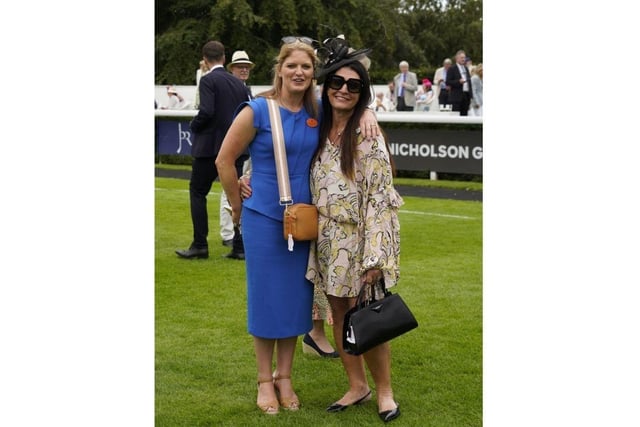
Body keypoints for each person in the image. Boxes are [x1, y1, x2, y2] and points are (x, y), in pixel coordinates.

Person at [215, 37, 379, 415]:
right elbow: (225, 161)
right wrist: (239, 205)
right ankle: (263, 381)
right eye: (293, 66)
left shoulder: (319, 109)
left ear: (313, 73)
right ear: (280, 68)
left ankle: (285, 377)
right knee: (265, 299)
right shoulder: (257, 110)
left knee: (295, 302)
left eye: (307, 67)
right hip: (262, 219)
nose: (300, 72)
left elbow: (351, 107)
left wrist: (368, 111)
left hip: (304, 222)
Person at [307, 41, 404, 423]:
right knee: (339, 314)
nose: (343, 89)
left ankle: (384, 392)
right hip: (327, 241)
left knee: (369, 317)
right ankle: (356, 385)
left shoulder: (367, 134)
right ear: (326, 85)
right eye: (336, 82)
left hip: (362, 239)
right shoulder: (317, 127)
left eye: (353, 85)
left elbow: (380, 197)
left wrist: (376, 257)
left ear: (363, 92)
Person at [175, 40, 250, 259]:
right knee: (235, 194)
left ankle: (200, 244)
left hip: (210, 148)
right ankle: (239, 246)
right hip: (235, 148)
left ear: (205, 60)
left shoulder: (208, 80)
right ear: (225, 58)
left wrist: (194, 126)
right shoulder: (240, 85)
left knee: (198, 192)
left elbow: (206, 111)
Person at [221, 50, 255, 260]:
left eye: (247, 66)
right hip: (232, 146)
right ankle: (229, 233)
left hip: (248, 148)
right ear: (231, 68)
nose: (244, 69)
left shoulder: (249, 90)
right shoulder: (230, 89)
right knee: (229, 188)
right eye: (240, 66)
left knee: (244, 187)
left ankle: (238, 236)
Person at [446, 49, 473, 116]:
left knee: (465, 115)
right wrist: (458, 82)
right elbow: (447, 82)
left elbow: (469, 81)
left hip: (466, 96)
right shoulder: (452, 68)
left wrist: (471, 95)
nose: (463, 59)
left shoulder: (466, 68)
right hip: (456, 97)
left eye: (464, 57)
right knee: (456, 115)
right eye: (462, 58)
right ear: (457, 58)